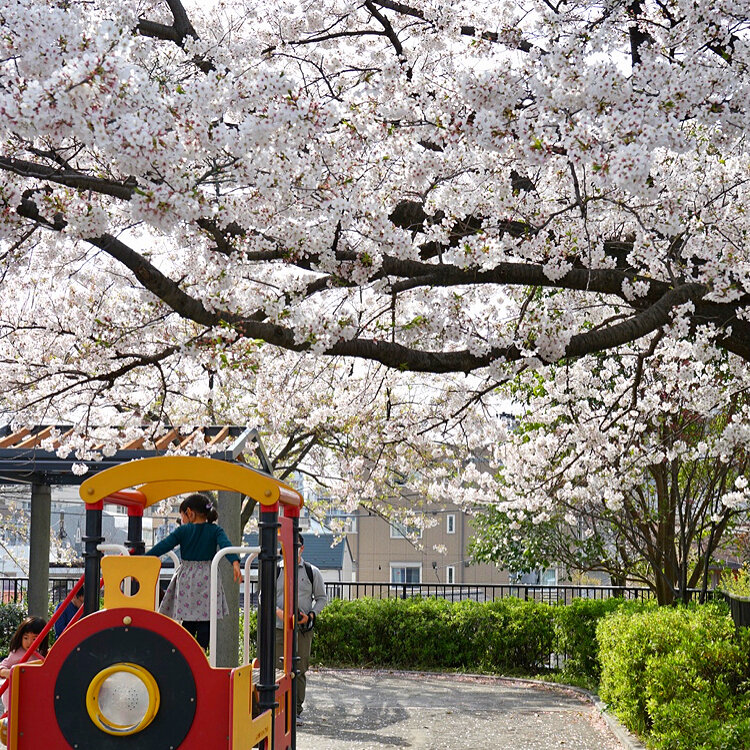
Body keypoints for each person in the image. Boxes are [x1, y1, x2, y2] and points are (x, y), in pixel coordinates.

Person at [146, 493, 241, 650]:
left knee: (187, 617)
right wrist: (235, 562)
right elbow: (226, 544)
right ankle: (202, 649)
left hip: (188, 578)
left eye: (182, 515)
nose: (182, 519)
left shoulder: (183, 531)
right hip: (208, 577)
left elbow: (164, 545)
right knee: (206, 618)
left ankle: (186, 650)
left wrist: (145, 557)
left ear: (189, 512)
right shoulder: (215, 530)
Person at [275, 533, 328, 721]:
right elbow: (263, 597)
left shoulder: (312, 571)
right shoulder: (274, 570)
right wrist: (279, 612)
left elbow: (322, 598)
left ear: (302, 548)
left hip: (303, 630)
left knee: (299, 669)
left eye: (295, 545)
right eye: (286, 545)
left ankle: (296, 711)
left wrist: (311, 615)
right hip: (279, 628)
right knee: (278, 668)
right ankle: (279, 711)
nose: (291, 549)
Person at [0, 617, 47, 711]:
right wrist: (10, 673)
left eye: (35, 639)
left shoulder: (41, 654)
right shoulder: (17, 653)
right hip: (14, 696)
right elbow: (1, 668)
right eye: (26, 638)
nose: (29, 642)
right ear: (20, 637)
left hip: (31, 694)